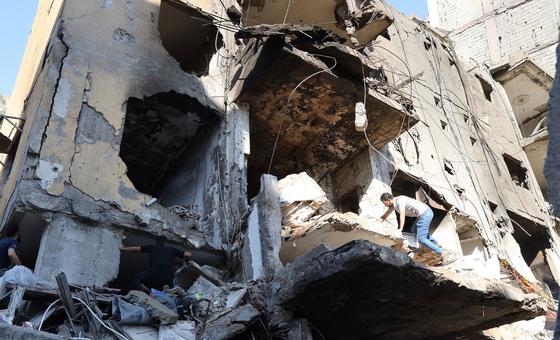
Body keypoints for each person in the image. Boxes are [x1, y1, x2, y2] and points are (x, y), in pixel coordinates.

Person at [379, 192, 455, 264]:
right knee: (414, 230)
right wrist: (376, 223)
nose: (385, 205)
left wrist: (401, 229)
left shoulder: (399, 200)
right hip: (423, 214)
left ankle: (442, 252)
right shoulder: (394, 205)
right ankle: (437, 244)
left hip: (425, 213)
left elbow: (402, 214)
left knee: (421, 238)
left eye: (385, 203)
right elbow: (385, 216)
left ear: (389, 200)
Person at [120, 236, 192, 291]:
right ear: (166, 243)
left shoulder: (151, 247)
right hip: (166, 279)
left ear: (156, 242)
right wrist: (185, 262)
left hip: (151, 275)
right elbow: (188, 254)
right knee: (171, 285)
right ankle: (165, 291)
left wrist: (124, 248)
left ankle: (145, 289)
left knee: (135, 278)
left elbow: (136, 249)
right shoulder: (172, 250)